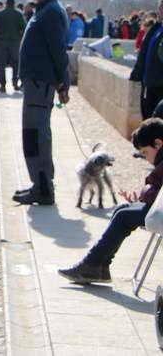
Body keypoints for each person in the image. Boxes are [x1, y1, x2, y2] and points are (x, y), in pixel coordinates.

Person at [59, 118, 163, 284]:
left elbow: (155, 190)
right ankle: (100, 266)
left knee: (123, 217)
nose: (147, 159)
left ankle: (92, 265)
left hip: (160, 210)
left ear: (158, 144)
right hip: (158, 206)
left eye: (146, 153)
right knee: (121, 209)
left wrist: (143, 195)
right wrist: (142, 195)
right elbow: (155, 188)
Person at [13, 0, 69, 205]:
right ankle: (40, 183)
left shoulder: (52, 12)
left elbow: (58, 51)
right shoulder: (46, 10)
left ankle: (43, 187)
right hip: (36, 83)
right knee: (35, 134)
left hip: (40, 83)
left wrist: (63, 83)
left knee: (36, 135)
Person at [130, 0, 163, 119]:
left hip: (159, 84)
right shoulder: (156, 28)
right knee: (147, 116)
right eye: (160, 7)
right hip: (148, 82)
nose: (160, 11)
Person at [0, 0, 26, 92]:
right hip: (15, 42)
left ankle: (2, 85)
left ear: (6, 3)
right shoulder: (19, 14)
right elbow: (24, 27)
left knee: (1, 64)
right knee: (16, 63)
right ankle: (15, 83)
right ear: (14, 3)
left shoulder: (0, 13)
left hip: (2, 42)